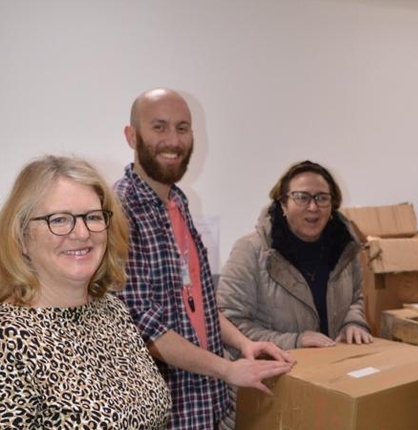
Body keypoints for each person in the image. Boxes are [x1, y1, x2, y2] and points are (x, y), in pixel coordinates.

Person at [114, 88, 295, 429]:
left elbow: (197, 302)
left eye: (182, 128)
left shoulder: (178, 202)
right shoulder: (120, 211)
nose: (173, 140)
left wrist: (245, 344)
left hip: (206, 404)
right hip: (167, 414)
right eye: (159, 127)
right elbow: (140, 326)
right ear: (131, 135)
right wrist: (228, 368)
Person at [0, 155, 171, 429]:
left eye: (92, 217)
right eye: (58, 220)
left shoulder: (112, 310)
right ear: (21, 238)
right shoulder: (8, 338)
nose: (82, 233)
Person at [217, 160, 373, 352]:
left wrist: (354, 323)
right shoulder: (250, 251)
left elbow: (355, 298)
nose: (313, 207)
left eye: (322, 198)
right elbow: (229, 322)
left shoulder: (346, 249)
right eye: (302, 197)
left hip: (333, 367)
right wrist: (294, 341)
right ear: (283, 203)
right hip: (273, 375)